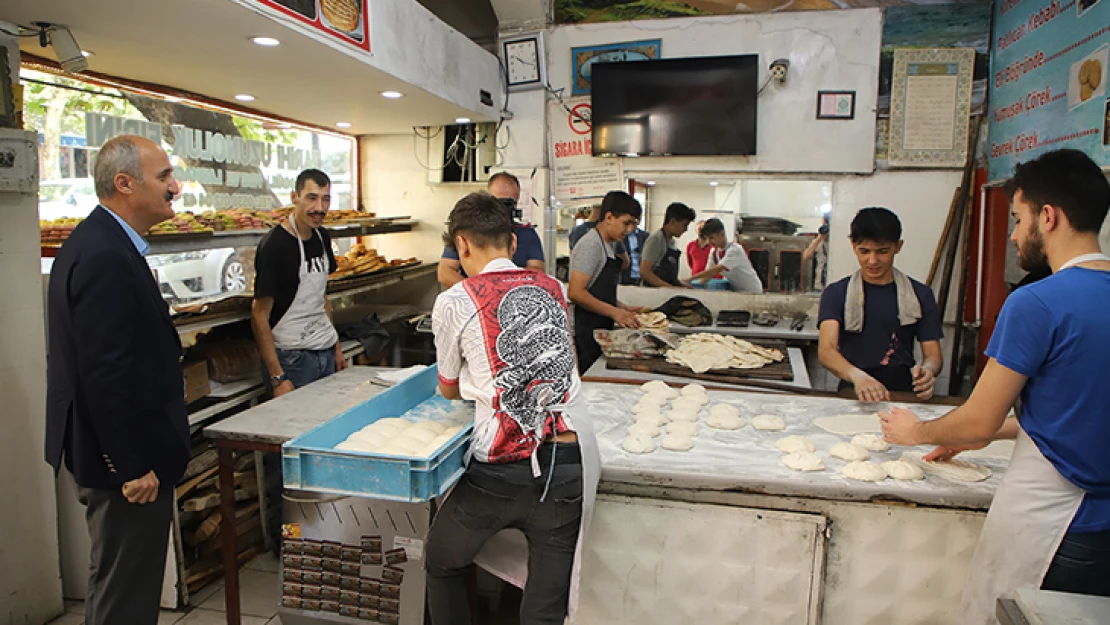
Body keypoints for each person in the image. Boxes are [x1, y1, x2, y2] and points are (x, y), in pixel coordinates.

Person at [880, 149, 1110, 621]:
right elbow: (1078, 409)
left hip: (1057, 531)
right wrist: (966, 438)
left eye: (1018, 218)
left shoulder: (1037, 303)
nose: (1012, 234)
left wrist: (918, 432)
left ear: (1048, 217)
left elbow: (979, 423)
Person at [426, 192, 600, 625]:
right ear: (512, 242)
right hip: (568, 464)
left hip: (499, 474)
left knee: (442, 562)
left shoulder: (455, 300)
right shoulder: (554, 289)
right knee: (544, 610)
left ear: (462, 245)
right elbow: (563, 366)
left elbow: (447, 389)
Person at [45, 135, 191, 625]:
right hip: (122, 464)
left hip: (123, 454)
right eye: (165, 176)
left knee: (124, 583)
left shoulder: (108, 244)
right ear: (124, 184)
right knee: (123, 594)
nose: (176, 186)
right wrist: (129, 464)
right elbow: (102, 373)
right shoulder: (104, 254)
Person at [818, 207, 943, 402]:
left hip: (903, 393)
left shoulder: (920, 294)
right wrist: (857, 376)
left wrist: (928, 371)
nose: (873, 260)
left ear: (898, 246)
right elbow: (826, 351)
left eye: (883, 251)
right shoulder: (837, 293)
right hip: (853, 391)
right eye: (864, 251)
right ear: (853, 246)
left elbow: (933, 355)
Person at [252, 169, 347, 397]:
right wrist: (278, 377)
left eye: (326, 199)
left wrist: (335, 347)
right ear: (295, 197)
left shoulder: (322, 237)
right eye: (311, 198)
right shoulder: (275, 246)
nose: (320, 208)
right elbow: (259, 314)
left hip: (324, 350)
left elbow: (321, 298)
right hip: (292, 358)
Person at [568, 191, 643, 373]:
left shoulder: (607, 244)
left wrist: (621, 307)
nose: (630, 230)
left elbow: (595, 290)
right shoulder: (591, 245)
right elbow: (576, 293)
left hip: (600, 329)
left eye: (633, 224)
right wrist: (614, 312)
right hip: (586, 332)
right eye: (626, 223)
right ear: (609, 217)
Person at [437, 172, 545, 288]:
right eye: (498, 202)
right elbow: (445, 272)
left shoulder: (527, 233)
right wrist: (475, 291)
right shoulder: (468, 230)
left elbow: (537, 272)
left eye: (509, 203)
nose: (503, 209)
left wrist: (503, 284)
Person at [688, 218, 764, 293]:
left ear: (722, 234)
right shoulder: (714, 252)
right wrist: (696, 287)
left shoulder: (735, 249)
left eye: (711, 238)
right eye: (707, 239)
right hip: (736, 290)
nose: (708, 242)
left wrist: (690, 279)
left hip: (752, 291)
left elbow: (718, 269)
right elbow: (708, 275)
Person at [640, 202, 696, 287]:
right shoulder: (656, 240)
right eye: (684, 225)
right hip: (652, 294)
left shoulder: (671, 242)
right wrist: (669, 288)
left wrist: (681, 285)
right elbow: (644, 272)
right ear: (673, 222)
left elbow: (670, 276)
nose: (686, 229)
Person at [567, 204, 630, 271]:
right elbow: (625, 262)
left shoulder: (576, 231)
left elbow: (573, 259)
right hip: (606, 277)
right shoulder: (610, 231)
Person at [803, 214, 830, 290]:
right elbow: (806, 256)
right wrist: (819, 237)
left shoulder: (836, 242)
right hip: (819, 286)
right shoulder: (819, 242)